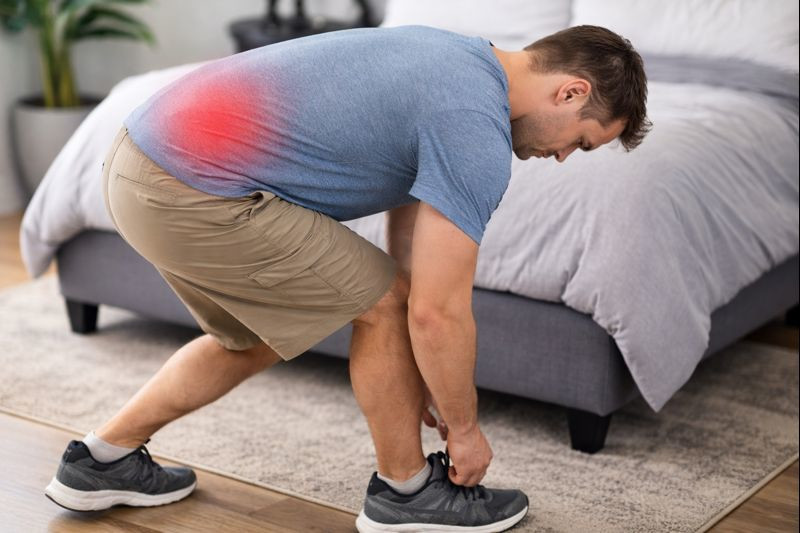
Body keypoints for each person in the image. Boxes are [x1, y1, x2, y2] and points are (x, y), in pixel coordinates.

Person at [44, 23, 650, 532]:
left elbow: (415, 253)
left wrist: (430, 370)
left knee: (254, 336)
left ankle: (102, 459)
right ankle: (406, 495)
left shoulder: (459, 61)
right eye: (584, 143)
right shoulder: (475, 124)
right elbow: (436, 312)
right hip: (193, 185)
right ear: (572, 92)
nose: (565, 157)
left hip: (140, 162)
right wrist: (464, 431)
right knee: (380, 304)